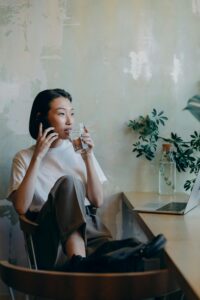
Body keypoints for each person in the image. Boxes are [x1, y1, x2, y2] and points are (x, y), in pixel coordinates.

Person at [7, 88, 166, 272]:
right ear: (41, 118)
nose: (69, 121)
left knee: (130, 247)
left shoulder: (78, 151)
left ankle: (127, 252)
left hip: (89, 229)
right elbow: (21, 207)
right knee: (69, 182)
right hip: (51, 236)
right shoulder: (24, 157)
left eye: (72, 114)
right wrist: (37, 157)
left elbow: (97, 201)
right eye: (61, 114)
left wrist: (88, 156)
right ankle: (80, 262)